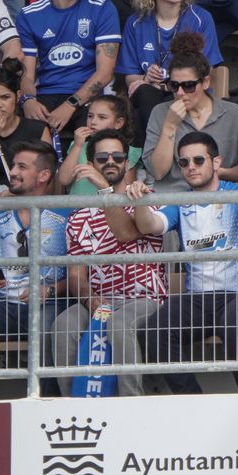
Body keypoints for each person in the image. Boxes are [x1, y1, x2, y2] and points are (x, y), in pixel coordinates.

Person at [128, 132, 238, 393]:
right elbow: (148, 226)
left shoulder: (237, 192)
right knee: (155, 329)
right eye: (184, 162)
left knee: (233, 325)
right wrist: (140, 203)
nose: (191, 167)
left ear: (216, 162)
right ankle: (191, 400)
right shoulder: (180, 201)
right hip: (197, 299)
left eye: (198, 160)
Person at [48, 129, 165, 396]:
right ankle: (74, 404)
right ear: (91, 164)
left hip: (145, 299)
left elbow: (126, 233)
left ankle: (129, 402)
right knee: (63, 325)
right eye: (102, 158)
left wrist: (105, 190)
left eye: (117, 157)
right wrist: (90, 300)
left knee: (119, 323)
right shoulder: (78, 217)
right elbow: (76, 275)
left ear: (127, 162)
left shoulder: (146, 198)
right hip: (100, 300)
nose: (110, 161)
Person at [18, 0, 118, 135]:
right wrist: (28, 100)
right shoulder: (29, 15)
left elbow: (105, 72)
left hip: (86, 97)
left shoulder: (102, 8)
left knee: (92, 137)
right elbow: (26, 74)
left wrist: (70, 104)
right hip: (45, 95)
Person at [0, 142, 69, 359]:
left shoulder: (66, 216)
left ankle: (45, 384)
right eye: (13, 165)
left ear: (44, 175)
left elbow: (80, 276)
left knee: (48, 325)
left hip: (48, 305)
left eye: (22, 167)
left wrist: (50, 291)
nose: (12, 172)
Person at [116, 0, 223, 135]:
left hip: (188, 92)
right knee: (144, 92)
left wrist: (164, 86)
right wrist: (146, 79)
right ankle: (157, 148)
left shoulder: (200, 18)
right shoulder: (136, 22)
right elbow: (131, 77)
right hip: (149, 97)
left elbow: (207, 71)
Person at [142, 35, 238, 188]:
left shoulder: (233, 113)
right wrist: (170, 125)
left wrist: (215, 172)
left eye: (189, 85)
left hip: (219, 195)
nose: (180, 93)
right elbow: (157, 172)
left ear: (205, 82)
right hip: (173, 197)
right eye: (174, 85)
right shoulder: (160, 112)